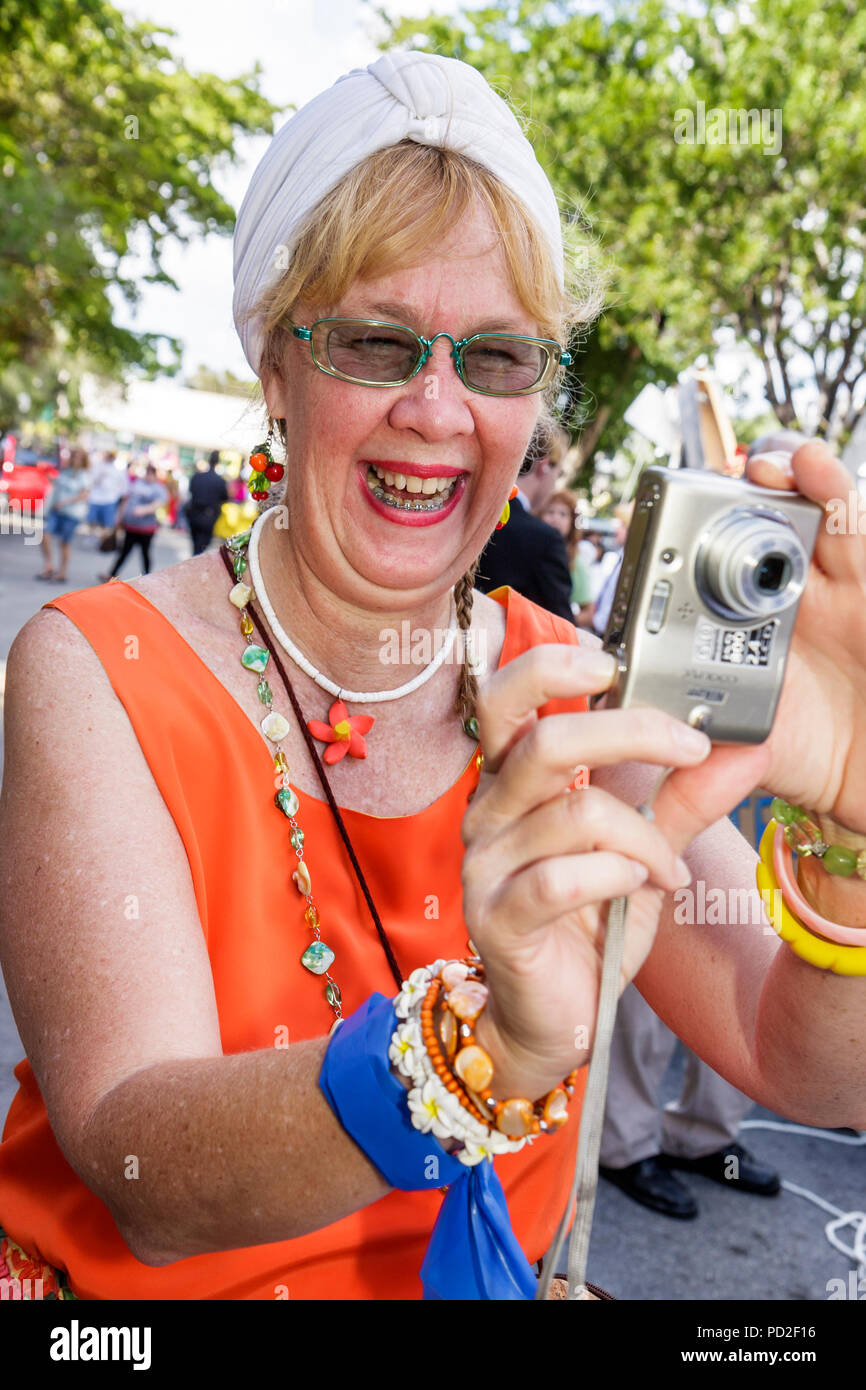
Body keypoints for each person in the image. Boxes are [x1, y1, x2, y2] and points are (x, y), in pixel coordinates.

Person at [0, 51, 865, 1304]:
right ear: (274, 369)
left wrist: (847, 831)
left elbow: (804, 1068)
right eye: (375, 342)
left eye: (499, 358)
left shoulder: (570, 688)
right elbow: (142, 1171)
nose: (438, 406)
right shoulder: (97, 665)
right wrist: (481, 1054)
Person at [476, 430, 576, 622]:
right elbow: (562, 625)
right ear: (544, 466)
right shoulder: (546, 539)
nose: (556, 481)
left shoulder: (474, 509)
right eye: (559, 473)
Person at [97, 462, 168, 581]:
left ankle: (147, 578)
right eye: (147, 473)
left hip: (146, 528)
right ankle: (112, 574)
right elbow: (126, 500)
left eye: (151, 474)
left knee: (145, 553)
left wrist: (144, 510)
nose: (149, 476)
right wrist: (119, 517)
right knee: (124, 552)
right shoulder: (137, 484)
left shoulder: (159, 489)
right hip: (131, 526)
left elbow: (158, 503)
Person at [538, 487, 593, 623]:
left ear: (571, 522)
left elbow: (588, 611)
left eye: (563, 514)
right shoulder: (529, 547)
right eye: (550, 512)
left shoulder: (575, 563)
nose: (556, 518)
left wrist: (561, 624)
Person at [36, 447, 91, 583]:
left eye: (79, 457)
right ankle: (49, 566)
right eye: (74, 456)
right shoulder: (65, 471)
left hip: (72, 513)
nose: (76, 459)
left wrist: (66, 502)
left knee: (64, 543)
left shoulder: (84, 475)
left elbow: (84, 495)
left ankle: (63, 572)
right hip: (57, 510)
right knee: (45, 535)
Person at [185, 449, 229, 555]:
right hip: (208, 516)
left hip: (194, 515)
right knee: (201, 546)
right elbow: (225, 498)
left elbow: (191, 491)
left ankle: (194, 560)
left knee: (196, 545)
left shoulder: (197, 476)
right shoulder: (219, 481)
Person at [84, 450, 128, 546]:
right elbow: (90, 480)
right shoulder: (98, 466)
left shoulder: (119, 469)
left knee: (107, 523)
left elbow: (124, 485)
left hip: (110, 500)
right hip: (95, 498)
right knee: (92, 520)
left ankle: (103, 540)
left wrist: (120, 496)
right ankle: (92, 536)